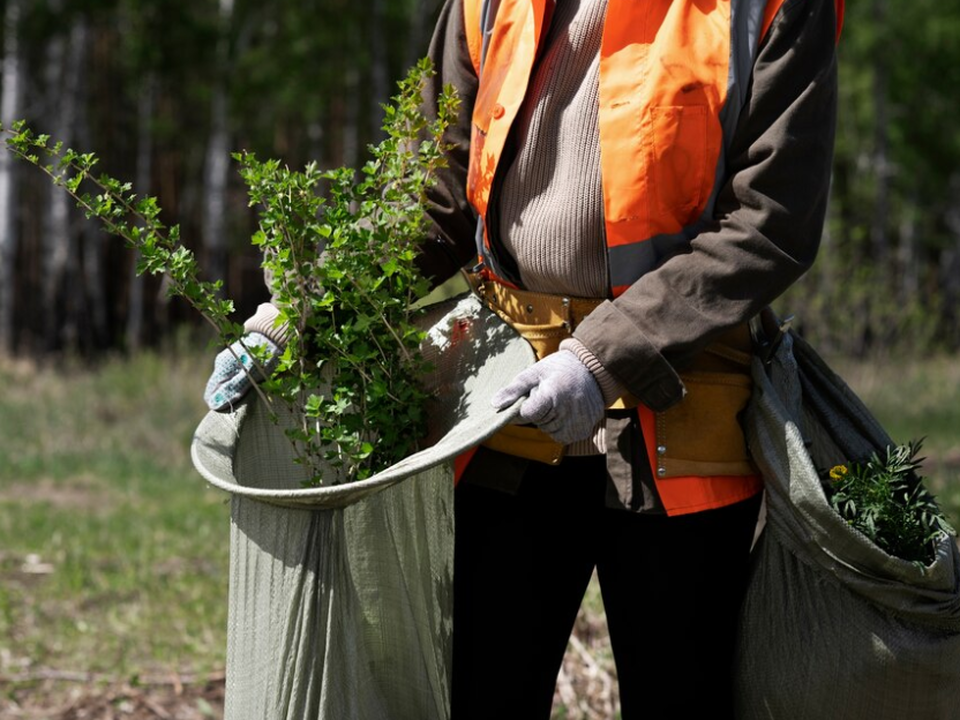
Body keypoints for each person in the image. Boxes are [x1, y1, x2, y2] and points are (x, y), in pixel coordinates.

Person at [205, 0, 843, 716]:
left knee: (681, 694)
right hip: (503, 411)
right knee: (484, 691)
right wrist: (301, 312)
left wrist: (601, 358)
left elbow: (771, 223)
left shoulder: (767, 9)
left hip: (685, 422)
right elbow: (434, 197)